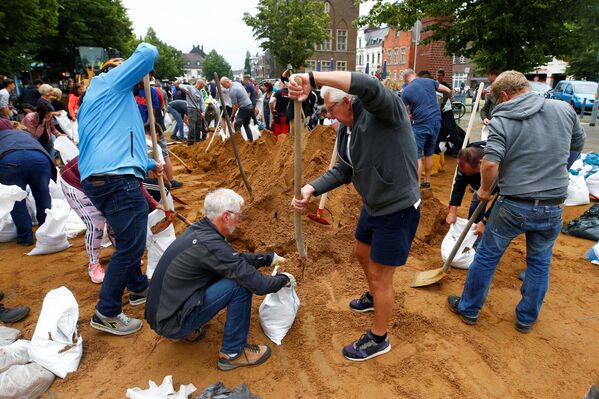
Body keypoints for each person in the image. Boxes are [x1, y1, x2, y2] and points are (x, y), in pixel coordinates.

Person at [289, 70, 420, 361]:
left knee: (380, 275)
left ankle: (379, 338)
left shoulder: (386, 113)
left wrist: (313, 78)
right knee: (362, 253)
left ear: (347, 101)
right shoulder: (345, 130)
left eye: (331, 109)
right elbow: (344, 169)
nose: (329, 115)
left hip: (397, 209)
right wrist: (312, 187)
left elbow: (370, 86)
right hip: (373, 206)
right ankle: (374, 297)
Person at [447, 71, 586, 334]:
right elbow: (576, 146)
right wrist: (559, 170)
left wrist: (485, 191)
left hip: (514, 204)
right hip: (553, 203)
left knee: (487, 256)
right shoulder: (564, 109)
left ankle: (469, 308)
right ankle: (526, 318)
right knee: (539, 262)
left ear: (504, 95)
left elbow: (489, 162)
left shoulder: (503, 118)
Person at [145, 188, 294, 370]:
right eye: (239, 215)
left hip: (161, 314)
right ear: (226, 216)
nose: (239, 220)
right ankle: (232, 353)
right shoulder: (211, 244)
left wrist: (266, 259)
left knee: (229, 273)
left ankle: (187, 330)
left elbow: (231, 260)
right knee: (239, 285)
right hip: (171, 323)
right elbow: (258, 284)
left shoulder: (199, 232)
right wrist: (284, 279)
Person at [78, 42, 163, 336]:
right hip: (117, 181)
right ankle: (107, 311)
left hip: (105, 178)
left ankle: (138, 289)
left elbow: (115, 146)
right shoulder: (110, 83)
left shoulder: (98, 99)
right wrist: (140, 63)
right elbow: (148, 52)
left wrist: (149, 165)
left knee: (127, 242)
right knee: (129, 247)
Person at [61, 155, 162, 284]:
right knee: (95, 222)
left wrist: (153, 203)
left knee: (115, 216)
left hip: (101, 180)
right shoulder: (125, 160)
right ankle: (94, 265)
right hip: (74, 182)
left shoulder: (131, 160)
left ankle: (124, 254)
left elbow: (137, 183)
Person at [0, 127, 55, 245]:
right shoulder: (22, 133)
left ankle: (26, 237)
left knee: (16, 199)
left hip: (11, 160)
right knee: (43, 196)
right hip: (40, 158)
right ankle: (47, 233)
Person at [401, 69, 452, 189]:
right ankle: (427, 181)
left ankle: (417, 183)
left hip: (421, 124)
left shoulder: (406, 91)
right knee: (429, 153)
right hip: (436, 121)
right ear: (414, 74)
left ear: (405, 80)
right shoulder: (429, 81)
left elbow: (405, 115)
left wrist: (411, 116)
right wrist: (443, 103)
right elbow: (448, 90)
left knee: (417, 155)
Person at [446, 142, 497, 236]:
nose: (467, 176)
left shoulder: (498, 162)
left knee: (501, 213)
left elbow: (501, 200)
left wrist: (485, 222)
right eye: (465, 173)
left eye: (471, 173)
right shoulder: (465, 158)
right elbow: (459, 185)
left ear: (481, 163)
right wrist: (452, 212)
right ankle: (473, 234)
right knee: (477, 200)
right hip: (481, 186)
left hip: (505, 187)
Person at [220, 77, 255, 142]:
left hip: (244, 107)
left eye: (223, 85)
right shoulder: (236, 83)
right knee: (246, 125)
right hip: (250, 106)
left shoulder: (232, 91)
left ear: (227, 82)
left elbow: (236, 106)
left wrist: (232, 116)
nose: (223, 86)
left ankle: (240, 143)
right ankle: (250, 141)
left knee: (237, 125)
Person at [179, 80, 206, 145]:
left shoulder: (200, 92)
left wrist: (203, 112)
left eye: (202, 87)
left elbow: (202, 103)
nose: (201, 88)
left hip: (198, 110)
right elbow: (180, 85)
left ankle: (197, 140)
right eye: (201, 86)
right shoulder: (190, 87)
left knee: (199, 126)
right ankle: (191, 141)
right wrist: (185, 89)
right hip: (191, 109)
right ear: (198, 84)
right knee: (192, 125)